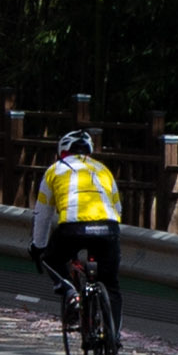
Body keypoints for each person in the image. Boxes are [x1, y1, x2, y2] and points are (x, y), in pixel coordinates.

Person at [29, 127, 125, 320]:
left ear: (62, 151)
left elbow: (43, 215)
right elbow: (118, 208)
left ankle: (71, 294)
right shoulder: (103, 169)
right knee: (111, 285)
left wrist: (38, 247)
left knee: (51, 258)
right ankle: (113, 339)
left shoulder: (54, 170)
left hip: (73, 228)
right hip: (108, 227)